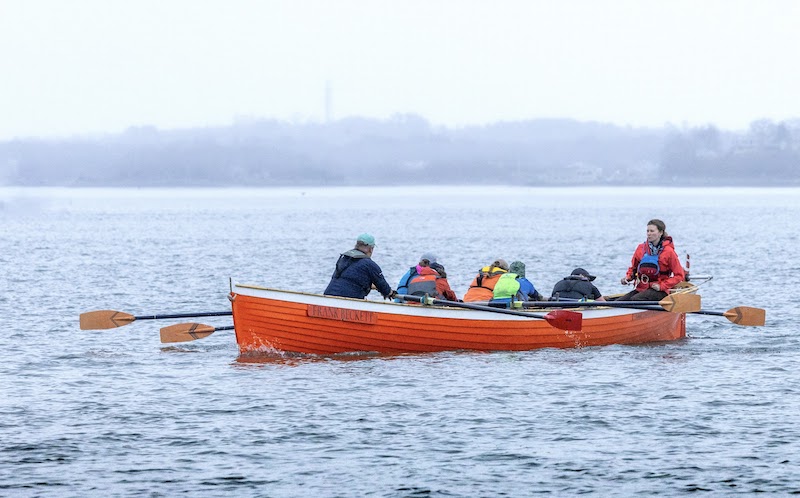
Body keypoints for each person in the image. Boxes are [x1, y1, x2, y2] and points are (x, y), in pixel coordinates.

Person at [614, 219, 685, 301]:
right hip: (642, 288)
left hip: (660, 290)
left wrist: (661, 286)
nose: (649, 234)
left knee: (635, 299)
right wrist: (628, 278)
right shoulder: (641, 248)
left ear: (660, 233)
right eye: (647, 231)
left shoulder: (669, 252)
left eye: (652, 231)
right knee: (618, 302)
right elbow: (633, 269)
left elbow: (679, 275)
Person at [324, 233, 396, 300]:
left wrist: (376, 287)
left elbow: (351, 280)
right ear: (371, 249)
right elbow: (383, 286)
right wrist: (390, 293)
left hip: (328, 296)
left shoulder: (343, 258)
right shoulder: (369, 264)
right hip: (348, 300)